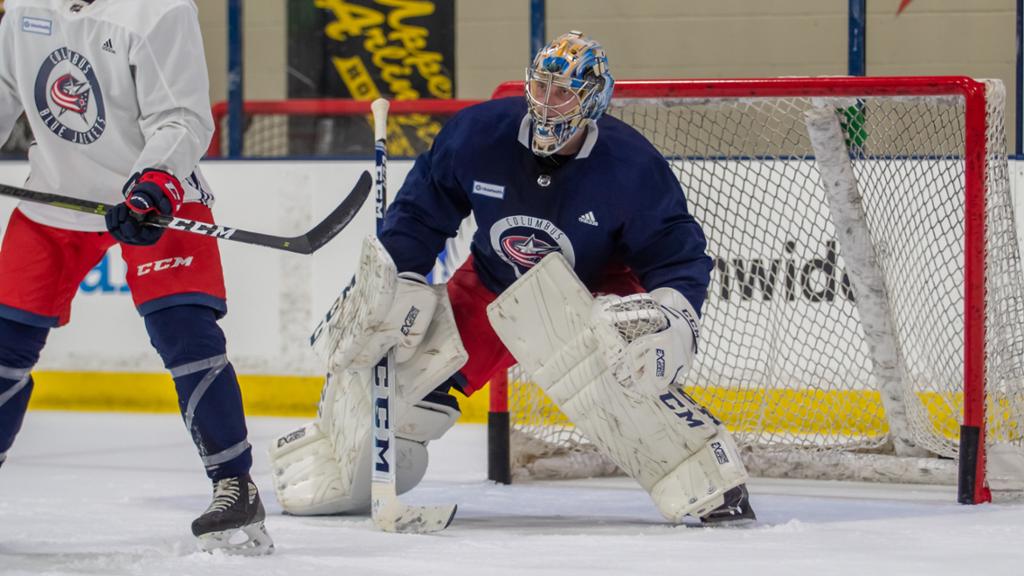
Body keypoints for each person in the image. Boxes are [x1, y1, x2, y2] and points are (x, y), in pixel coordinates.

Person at [270, 30, 754, 525]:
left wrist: (674, 312)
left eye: (563, 92)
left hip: (591, 290)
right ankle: (340, 464)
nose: (548, 104)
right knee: (401, 388)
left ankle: (707, 480)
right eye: (542, 87)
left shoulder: (631, 166)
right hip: (493, 283)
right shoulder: (478, 135)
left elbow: (676, 255)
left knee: (624, 358)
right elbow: (421, 214)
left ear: (594, 99)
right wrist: (400, 276)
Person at [0, 0, 272, 554]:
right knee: (3, 344)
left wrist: (154, 182)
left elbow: (184, 117)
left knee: (186, 335)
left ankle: (234, 484)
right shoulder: (23, 7)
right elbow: (6, 90)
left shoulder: (160, 10)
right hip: (56, 195)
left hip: (152, 197)